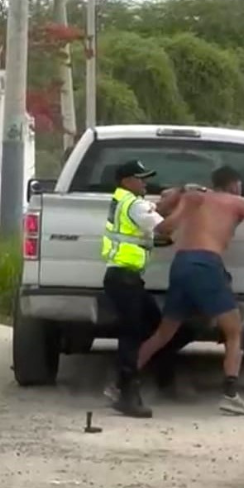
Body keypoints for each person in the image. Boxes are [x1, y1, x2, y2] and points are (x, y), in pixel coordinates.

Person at [136, 165, 244, 416]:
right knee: (234, 331)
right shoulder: (236, 201)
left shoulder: (194, 198)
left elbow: (164, 215)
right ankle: (230, 394)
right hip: (206, 264)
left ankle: (121, 382)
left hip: (181, 263)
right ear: (234, 185)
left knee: (163, 333)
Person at [100, 161, 197, 418]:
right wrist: (187, 206)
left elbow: (154, 212)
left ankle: (149, 380)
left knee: (156, 328)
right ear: (126, 181)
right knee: (131, 336)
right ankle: (127, 395)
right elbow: (165, 227)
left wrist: (179, 192)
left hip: (125, 278)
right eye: (140, 178)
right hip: (124, 278)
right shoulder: (133, 204)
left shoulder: (124, 200)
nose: (145, 182)